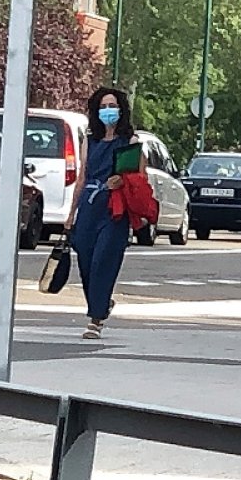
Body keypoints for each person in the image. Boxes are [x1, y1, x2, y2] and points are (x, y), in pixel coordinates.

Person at [64, 87, 144, 340]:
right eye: (103, 106)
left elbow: (140, 178)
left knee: (103, 261)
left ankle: (95, 319)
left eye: (112, 106)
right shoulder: (91, 140)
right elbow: (82, 176)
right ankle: (101, 303)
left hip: (115, 210)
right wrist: (71, 214)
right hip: (90, 206)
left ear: (121, 110)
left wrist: (121, 181)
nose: (108, 111)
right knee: (86, 261)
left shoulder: (130, 142)